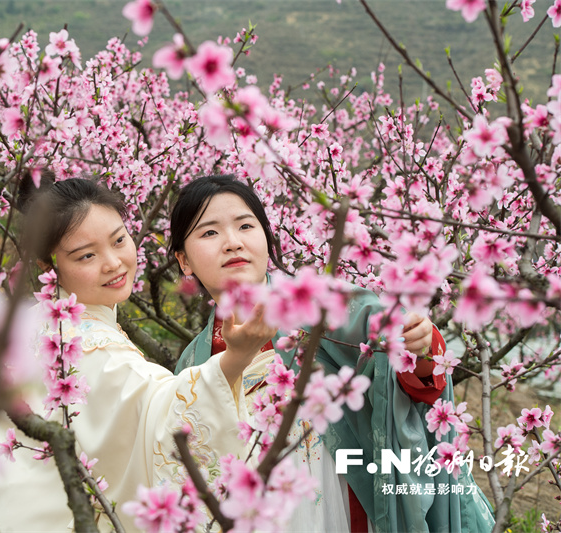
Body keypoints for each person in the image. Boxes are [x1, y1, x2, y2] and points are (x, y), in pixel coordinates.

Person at [168, 174, 494, 533]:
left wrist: (417, 345)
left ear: (266, 237)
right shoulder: (192, 361)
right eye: (209, 232)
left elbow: (402, 365)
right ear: (184, 261)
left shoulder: (320, 304)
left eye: (245, 225)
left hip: (338, 503)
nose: (232, 242)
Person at [0, 177, 275, 532]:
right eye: (86, 255)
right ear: (48, 265)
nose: (113, 263)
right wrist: (234, 360)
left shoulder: (40, 322)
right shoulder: (81, 342)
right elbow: (163, 410)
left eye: (119, 240)